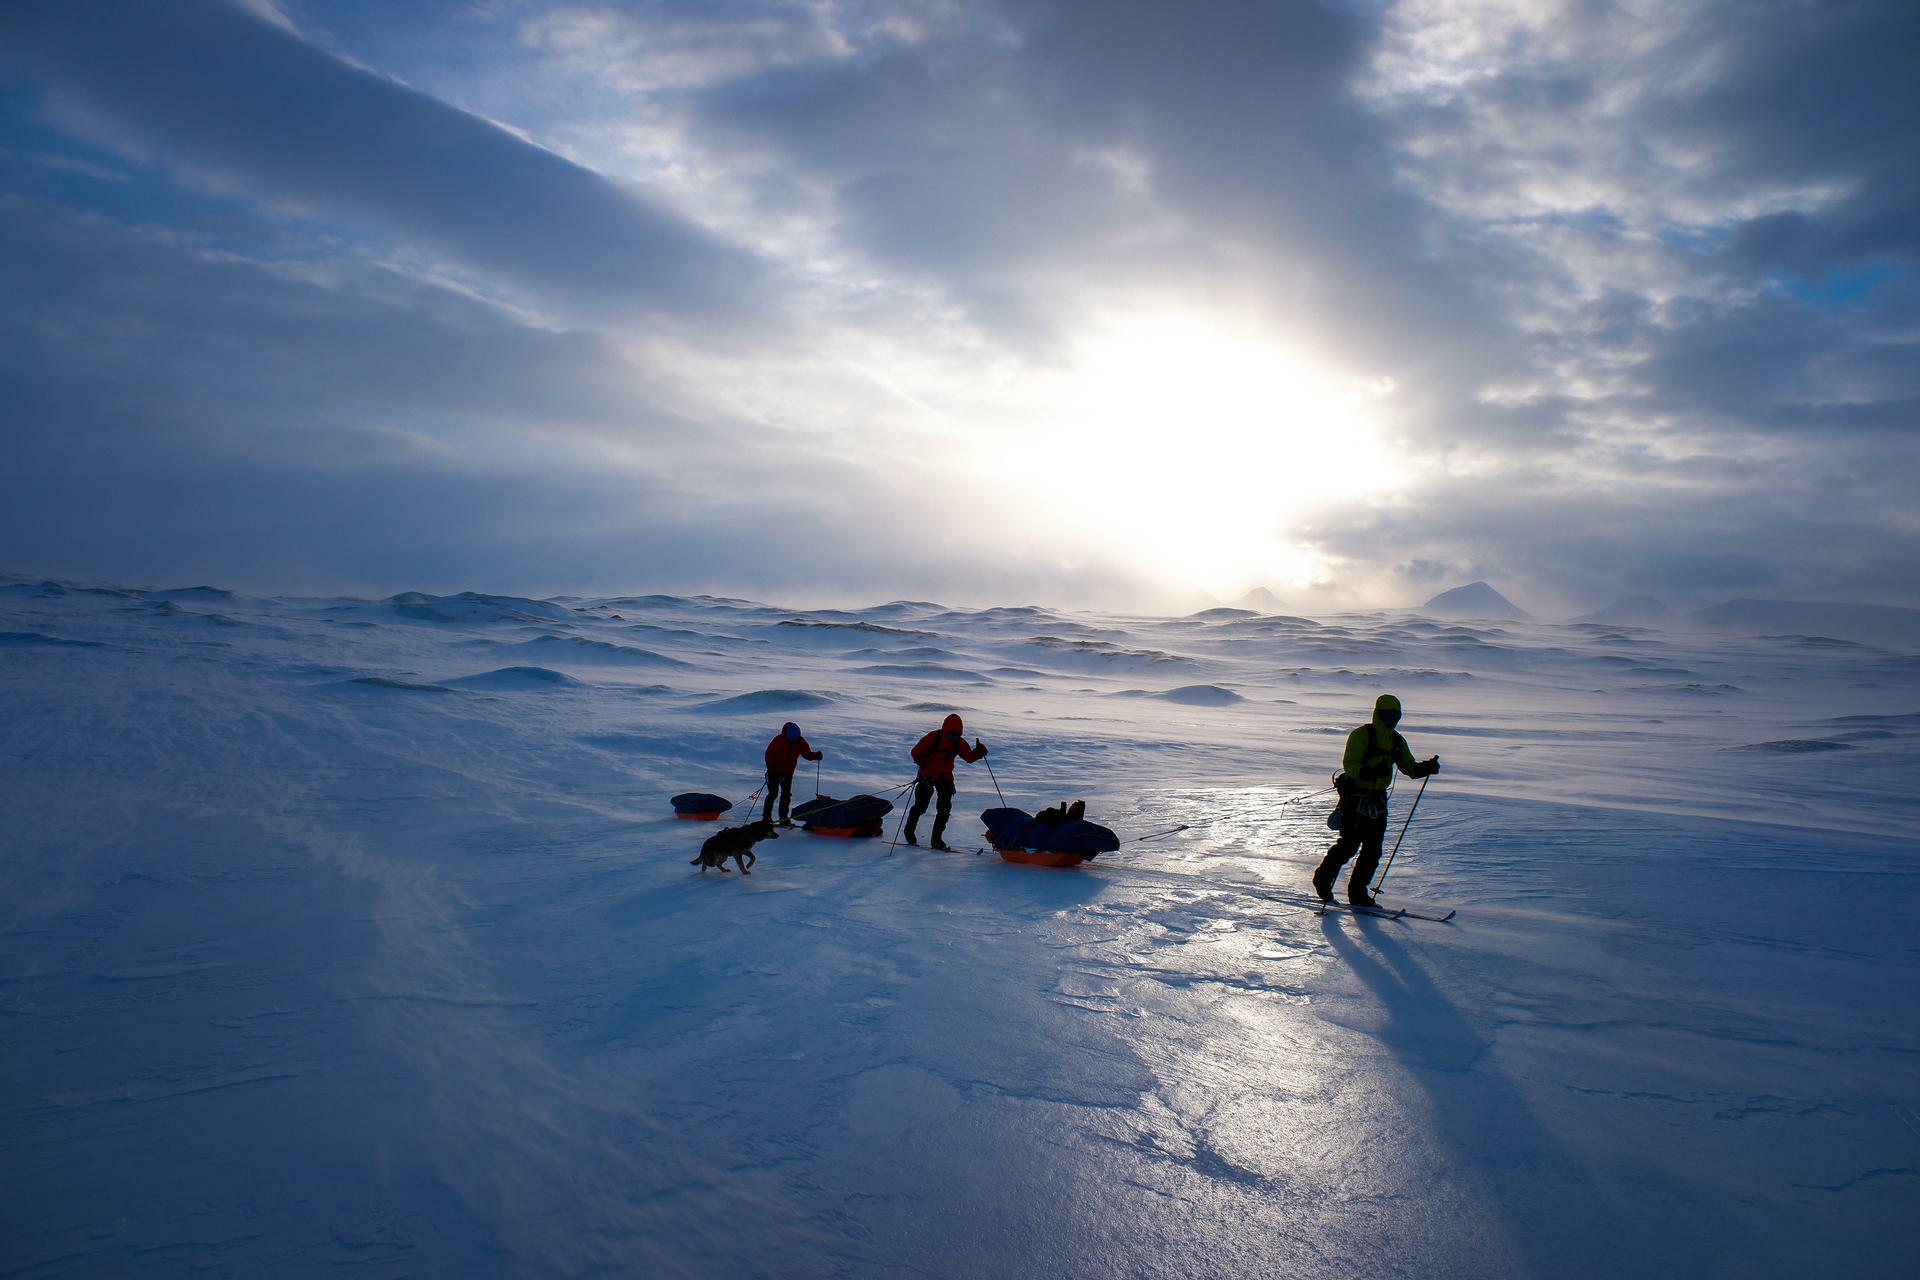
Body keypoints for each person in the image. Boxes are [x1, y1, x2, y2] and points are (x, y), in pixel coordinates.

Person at [1313, 694, 1438, 907]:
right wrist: (1368, 772)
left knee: (1373, 850)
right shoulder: (1361, 736)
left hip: (1377, 801)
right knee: (1349, 846)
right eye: (1387, 714)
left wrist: (1424, 769)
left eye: (1395, 715)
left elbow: (1408, 767)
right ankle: (1323, 880)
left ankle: (1358, 894)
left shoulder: (1397, 741)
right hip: (1355, 798)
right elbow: (1350, 764)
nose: (1391, 719)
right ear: (1378, 714)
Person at [903, 713, 987, 850]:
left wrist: (978, 753)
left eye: (956, 735)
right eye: (950, 735)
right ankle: (909, 833)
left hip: (945, 777)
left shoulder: (959, 742)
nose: (952, 738)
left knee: (944, 810)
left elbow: (969, 758)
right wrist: (920, 758)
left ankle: (937, 840)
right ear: (944, 730)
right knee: (920, 807)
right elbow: (915, 752)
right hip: (927, 774)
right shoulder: (933, 737)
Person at [763, 721, 823, 825]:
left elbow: (806, 754)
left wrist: (815, 756)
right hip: (774, 772)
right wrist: (772, 770)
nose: (794, 741)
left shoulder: (801, 742)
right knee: (773, 794)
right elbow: (769, 756)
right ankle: (766, 818)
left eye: (796, 739)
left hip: (788, 773)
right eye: (792, 739)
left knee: (786, 795)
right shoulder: (778, 741)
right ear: (786, 736)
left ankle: (783, 818)